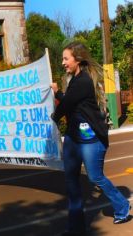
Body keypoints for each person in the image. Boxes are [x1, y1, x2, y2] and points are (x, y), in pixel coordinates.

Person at [51, 42, 131, 235]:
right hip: (73, 138)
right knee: (71, 180)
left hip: (91, 139)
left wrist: (52, 116)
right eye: (62, 58)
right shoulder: (74, 80)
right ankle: (76, 227)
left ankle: (122, 207)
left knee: (95, 176)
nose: (63, 62)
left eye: (66, 58)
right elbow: (70, 100)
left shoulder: (83, 81)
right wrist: (58, 93)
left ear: (77, 60)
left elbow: (66, 104)